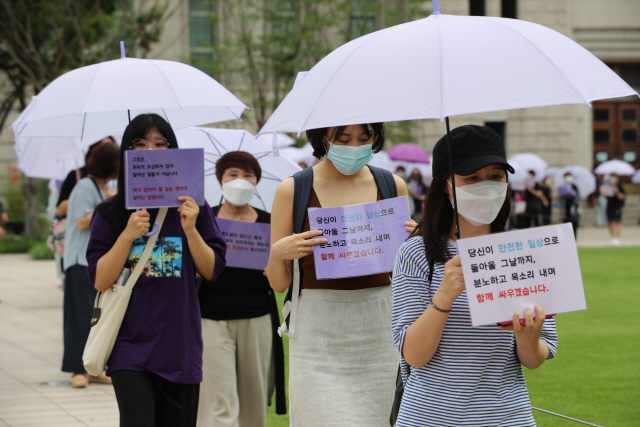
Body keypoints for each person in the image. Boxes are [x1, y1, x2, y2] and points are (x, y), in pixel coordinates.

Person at [392, 125, 558, 427]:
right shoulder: (417, 253)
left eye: (496, 176)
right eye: (472, 178)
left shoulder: (521, 253)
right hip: (429, 418)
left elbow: (535, 359)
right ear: (445, 184)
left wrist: (528, 338)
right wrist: (444, 296)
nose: (487, 186)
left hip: (508, 416)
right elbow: (414, 356)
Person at [266, 123, 415, 426]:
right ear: (323, 137)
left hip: (379, 328)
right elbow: (280, 283)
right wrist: (278, 254)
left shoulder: (392, 186)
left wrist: (416, 243)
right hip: (318, 333)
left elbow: (403, 271)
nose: (355, 147)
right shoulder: (293, 190)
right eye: (343, 138)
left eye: (365, 138)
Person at [86, 114, 226, 427]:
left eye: (160, 143)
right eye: (140, 144)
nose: (151, 150)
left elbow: (212, 269)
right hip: (129, 347)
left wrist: (191, 231)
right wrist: (126, 236)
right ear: (128, 153)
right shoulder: (109, 213)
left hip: (180, 346)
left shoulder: (194, 206)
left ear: (172, 150)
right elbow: (100, 278)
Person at [197, 151, 285, 427]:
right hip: (211, 318)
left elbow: (284, 277)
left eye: (248, 175)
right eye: (233, 174)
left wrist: (274, 265)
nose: (240, 181)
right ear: (220, 180)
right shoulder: (203, 219)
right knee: (218, 403)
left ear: (257, 181)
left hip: (256, 317)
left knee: (254, 402)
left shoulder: (269, 222)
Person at [62, 141, 119, 388]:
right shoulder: (85, 186)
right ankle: (76, 371)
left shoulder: (102, 186)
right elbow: (81, 223)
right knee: (79, 316)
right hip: (77, 261)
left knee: (94, 316)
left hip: (93, 260)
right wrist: (108, 203)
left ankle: (92, 368)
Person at [600, 173, 625, 246]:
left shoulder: (619, 186)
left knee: (617, 222)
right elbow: (606, 196)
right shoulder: (608, 186)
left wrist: (616, 190)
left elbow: (622, 197)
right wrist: (602, 191)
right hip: (610, 206)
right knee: (610, 222)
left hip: (617, 206)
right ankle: (612, 237)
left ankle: (617, 238)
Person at [558, 172, 580, 239]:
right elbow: (559, 199)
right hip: (565, 210)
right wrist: (558, 207)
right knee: (565, 226)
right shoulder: (562, 187)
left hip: (573, 210)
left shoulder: (574, 186)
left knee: (574, 225)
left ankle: (574, 239)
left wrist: (573, 193)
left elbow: (578, 197)